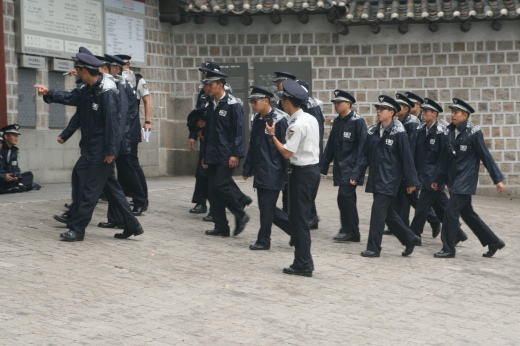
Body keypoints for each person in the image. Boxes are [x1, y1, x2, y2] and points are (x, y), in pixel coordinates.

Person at [49, 53, 143, 241]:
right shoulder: (89, 88)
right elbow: (72, 98)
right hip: (91, 148)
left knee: (89, 190)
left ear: (85, 70)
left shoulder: (106, 91)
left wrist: (110, 151)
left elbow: (112, 124)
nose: (76, 73)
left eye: (79, 70)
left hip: (102, 150)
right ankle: (132, 225)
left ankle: (77, 229)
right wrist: (49, 93)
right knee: (111, 189)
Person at [432, 98, 505, 258]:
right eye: (452, 112)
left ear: (465, 115)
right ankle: (493, 241)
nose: (453, 115)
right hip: (454, 180)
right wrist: (437, 179)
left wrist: (497, 179)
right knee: (468, 214)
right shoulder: (450, 131)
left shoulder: (474, 132)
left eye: (456, 112)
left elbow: (486, 156)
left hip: (466, 180)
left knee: (450, 212)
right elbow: (444, 159)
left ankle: (448, 248)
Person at [267, 79, 320, 277]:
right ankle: (304, 260)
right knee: (301, 218)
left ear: (288, 101)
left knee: (299, 221)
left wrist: (272, 136)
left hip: (302, 173)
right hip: (312, 171)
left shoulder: (296, 124)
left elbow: (287, 153)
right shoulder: (310, 118)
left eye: (283, 99)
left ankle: (303, 263)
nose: (281, 103)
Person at [357, 95, 421, 258]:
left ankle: (373, 247)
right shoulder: (373, 131)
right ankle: (409, 238)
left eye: (382, 109)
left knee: (378, 211)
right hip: (376, 177)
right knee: (388, 213)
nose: (378, 112)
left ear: (391, 112)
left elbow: (407, 157)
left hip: (390, 179)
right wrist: (356, 174)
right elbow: (364, 155)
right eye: (377, 109)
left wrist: (411, 181)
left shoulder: (399, 132)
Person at [197, 69, 250, 237]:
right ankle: (221, 226)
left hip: (227, 153)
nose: (207, 87)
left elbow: (239, 131)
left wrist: (236, 153)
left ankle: (240, 214)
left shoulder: (233, 104)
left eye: (210, 84)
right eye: (206, 84)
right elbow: (209, 132)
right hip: (212, 153)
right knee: (213, 190)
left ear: (220, 85)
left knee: (220, 184)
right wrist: (205, 154)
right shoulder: (210, 104)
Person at [409, 98, 468, 243]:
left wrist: (440, 178)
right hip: (424, 175)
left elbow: (444, 158)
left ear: (435, 114)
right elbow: (417, 154)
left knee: (422, 205)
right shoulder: (420, 129)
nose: (423, 113)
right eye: (423, 110)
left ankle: (414, 233)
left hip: (434, 177)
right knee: (441, 207)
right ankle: (458, 233)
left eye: (427, 111)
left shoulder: (442, 132)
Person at [243, 86, 289, 250]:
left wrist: (287, 174)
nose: (253, 105)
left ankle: (264, 240)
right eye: (252, 102)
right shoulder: (258, 119)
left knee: (267, 207)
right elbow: (253, 146)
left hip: (274, 170)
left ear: (266, 101)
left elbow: (286, 147)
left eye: (256, 102)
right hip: (261, 171)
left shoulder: (279, 119)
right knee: (266, 207)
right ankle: (296, 231)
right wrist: (248, 168)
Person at [321, 90, 368, 243]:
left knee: (344, 197)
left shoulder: (357, 121)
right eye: (334, 102)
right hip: (341, 168)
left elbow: (363, 149)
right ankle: (351, 230)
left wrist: (357, 172)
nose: (335, 105)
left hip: (352, 168)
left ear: (348, 104)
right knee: (346, 199)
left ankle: (349, 230)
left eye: (338, 103)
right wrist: (323, 166)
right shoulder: (338, 121)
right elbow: (331, 146)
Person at [115, 54, 150, 213]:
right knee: (127, 165)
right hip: (125, 128)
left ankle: (141, 198)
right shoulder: (117, 80)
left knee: (131, 163)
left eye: (125, 65)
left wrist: (147, 122)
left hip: (131, 128)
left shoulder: (135, 80)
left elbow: (146, 101)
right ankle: (135, 197)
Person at [296, 79, 324, 230]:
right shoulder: (303, 105)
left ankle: (311, 217)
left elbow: (316, 133)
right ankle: (310, 217)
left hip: (311, 155)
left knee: (307, 189)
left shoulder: (312, 106)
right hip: (304, 154)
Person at [0, 124, 34, 193]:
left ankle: (17, 186)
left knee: (28, 175)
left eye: (17, 136)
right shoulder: (1, 149)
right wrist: (4, 176)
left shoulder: (14, 151)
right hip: (2, 178)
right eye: (14, 135)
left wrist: (16, 176)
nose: (16, 138)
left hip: (10, 179)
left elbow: (16, 168)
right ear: (6, 136)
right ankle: (17, 187)